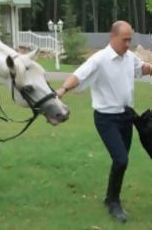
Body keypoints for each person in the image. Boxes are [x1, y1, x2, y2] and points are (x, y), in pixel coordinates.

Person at [56, 20, 152, 223]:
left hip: (127, 116)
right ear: (113, 37)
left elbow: (141, 68)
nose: (128, 44)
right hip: (106, 119)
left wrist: (150, 68)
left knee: (121, 161)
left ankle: (110, 197)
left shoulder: (129, 57)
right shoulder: (99, 59)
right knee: (121, 159)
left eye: (130, 40)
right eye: (125, 40)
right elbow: (78, 76)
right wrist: (63, 89)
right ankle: (114, 203)